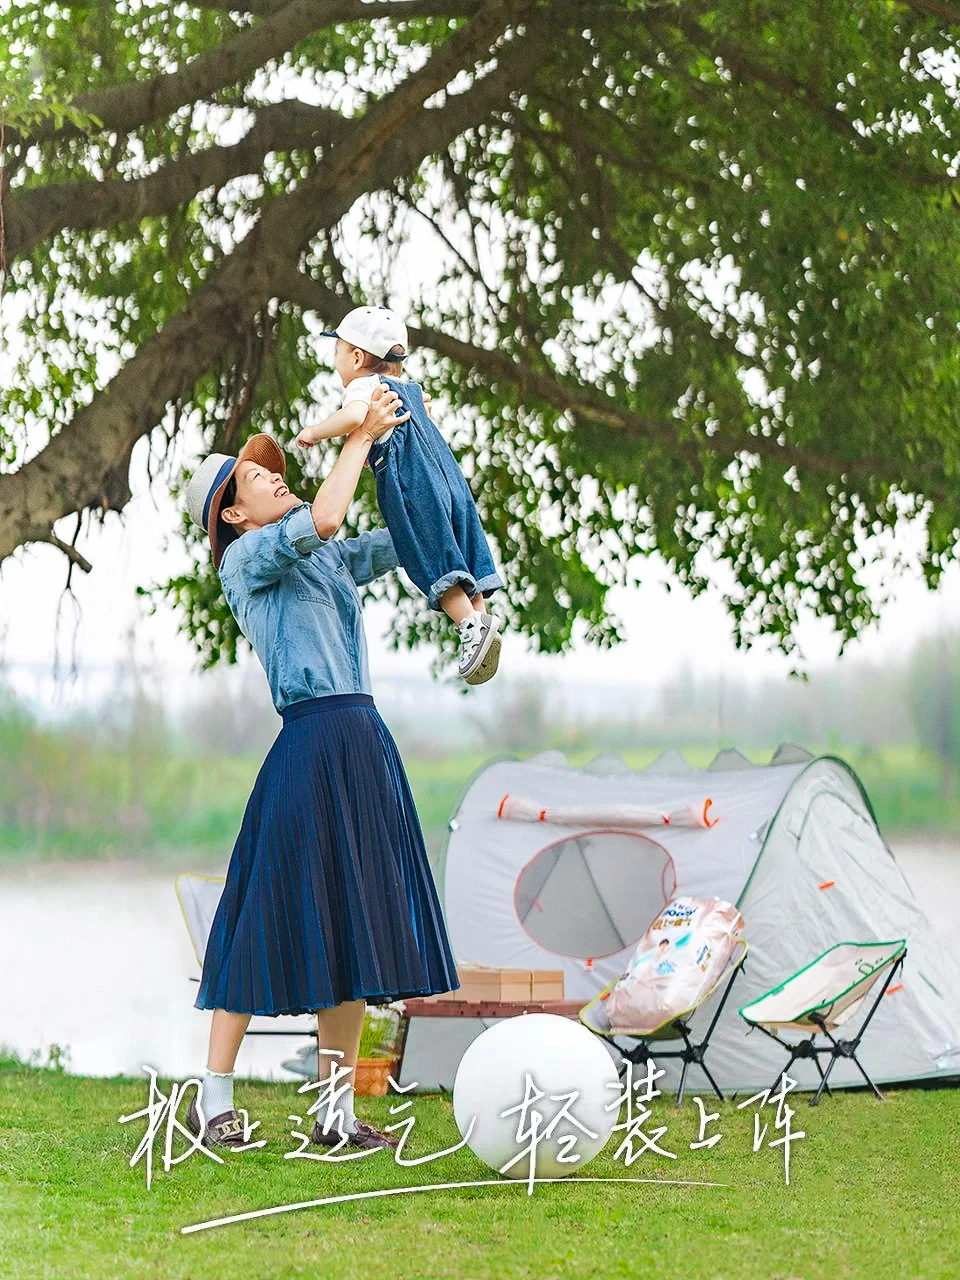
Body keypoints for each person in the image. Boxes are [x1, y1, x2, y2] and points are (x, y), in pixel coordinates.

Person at [181, 383, 459, 1151]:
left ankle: (334, 1112)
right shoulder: (247, 560)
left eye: (272, 468)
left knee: (356, 927)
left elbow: (403, 541)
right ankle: (213, 1104)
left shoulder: (322, 551)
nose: (272, 474)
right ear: (233, 514)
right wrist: (359, 436)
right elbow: (327, 515)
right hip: (307, 743)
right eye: (253, 478)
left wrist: (413, 462)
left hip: (361, 734)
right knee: (257, 916)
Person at [295, 305, 504, 685]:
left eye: (338, 352)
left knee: (427, 553)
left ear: (357, 357)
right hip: (449, 479)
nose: (336, 361)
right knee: (456, 545)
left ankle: (469, 626)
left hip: (414, 487)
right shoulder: (412, 391)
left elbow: (356, 418)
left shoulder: (363, 387)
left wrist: (315, 430)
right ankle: (481, 619)